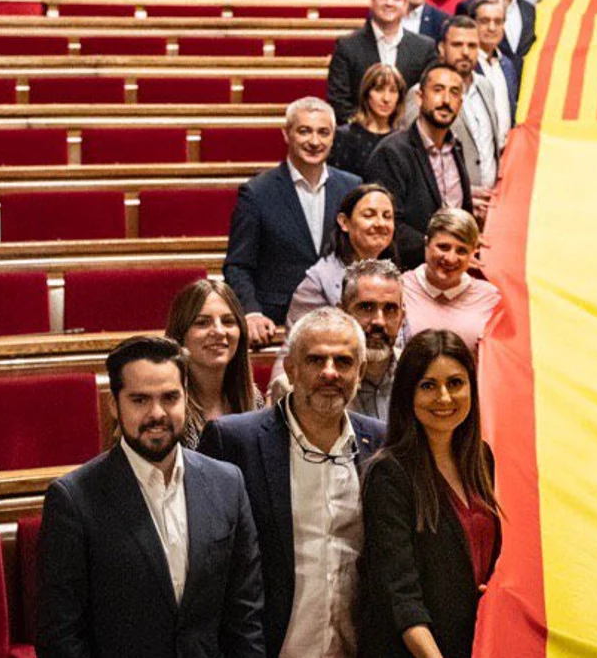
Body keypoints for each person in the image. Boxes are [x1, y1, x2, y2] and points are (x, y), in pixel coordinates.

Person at [37, 336, 265, 658]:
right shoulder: (73, 500)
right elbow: (61, 635)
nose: (157, 413)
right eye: (140, 400)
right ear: (115, 405)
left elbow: (245, 618)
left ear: (186, 398)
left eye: (170, 397)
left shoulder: (228, 483)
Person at [199, 308, 388, 658]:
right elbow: (210, 569)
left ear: (360, 372)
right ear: (291, 368)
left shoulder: (380, 444)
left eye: (343, 362)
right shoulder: (235, 441)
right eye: (316, 359)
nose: (330, 373)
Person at [362, 329, 501, 658]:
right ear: (408, 393)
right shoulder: (389, 473)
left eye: (455, 383)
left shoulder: (481, 458)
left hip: (473, 644)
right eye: (428, 385)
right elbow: (400, 594)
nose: (444, 398)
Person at [224, 96, 361, 338]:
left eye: (323, 132)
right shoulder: (256, 192)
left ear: (333, 137)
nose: (315, 141)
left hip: (342, 317)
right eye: (304, 131)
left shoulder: (352, 187)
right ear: (287, 134)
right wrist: (251, 312)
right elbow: (238, 265)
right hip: (279, 320)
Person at [364, 62, 473, 268]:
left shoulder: (456, 147)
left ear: (461, 102)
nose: (446, 100)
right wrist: (437, 250)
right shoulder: (392, 152)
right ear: (420, 97)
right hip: (408, 274)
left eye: (454, 92)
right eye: (438, 90)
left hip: (453, 270)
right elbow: (387, 226)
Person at [402, 16, 504, 195]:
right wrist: (466, 193)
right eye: (457, 45)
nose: (465, 52)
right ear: (442, 48)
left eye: (472, 46)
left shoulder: (486, 87)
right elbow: (416, 159)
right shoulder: (421, 93)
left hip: (490, 203)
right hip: (448, 204)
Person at [327, 0, 437, 121]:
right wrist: (371, 130)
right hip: (360, 137)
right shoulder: (347, 46)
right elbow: (339, 102)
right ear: (371, 1)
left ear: (405, 5)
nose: (389, 3)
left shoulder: (425, 48)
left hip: (410, 140)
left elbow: (428, 99)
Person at [287, 183, 399, 323]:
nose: (380, 223)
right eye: (369, 215)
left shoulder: (394, 277)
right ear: (344, 222)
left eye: (387, 216)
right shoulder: (318, 282)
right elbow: (304, 342)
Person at [164, 279, 258, 447]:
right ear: (180, 335)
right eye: (202, 323)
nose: (219, 331)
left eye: (228, 321)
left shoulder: (254, 399)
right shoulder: (166, 406)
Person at [401, 208, 502, 353]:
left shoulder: (491, 299)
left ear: (473, 252)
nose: (450, 258)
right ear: (426, 243)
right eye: (443, 247)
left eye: (462, 251)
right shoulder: (399, 288)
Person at [341, 259, 406, 422]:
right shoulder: (311, 383)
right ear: (342, 314)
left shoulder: (420, 374)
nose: (379, 321)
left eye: (390, 309)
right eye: (367, 308)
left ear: (402, 317)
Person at [332, 62, 407, 176]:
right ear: (366, 94)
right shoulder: (344, 136)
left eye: (393, 91)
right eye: (379, 90)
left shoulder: (404, 140)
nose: (386, 98)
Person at [471, 0, 521, 126]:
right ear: (473, 23)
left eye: (498, 22)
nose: (492, 28)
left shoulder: (508, 66)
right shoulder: (466, 64)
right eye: (485, 21)